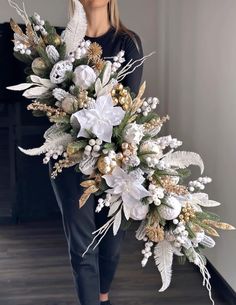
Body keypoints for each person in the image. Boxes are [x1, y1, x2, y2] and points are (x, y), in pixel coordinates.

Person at [49, 1, 144, 305]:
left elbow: (130, 110)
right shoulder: (63, 44)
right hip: (70, 159)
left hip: (113, 163)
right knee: (82, 247)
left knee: (112, 245)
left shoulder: (126, 42)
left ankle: (102, 296)